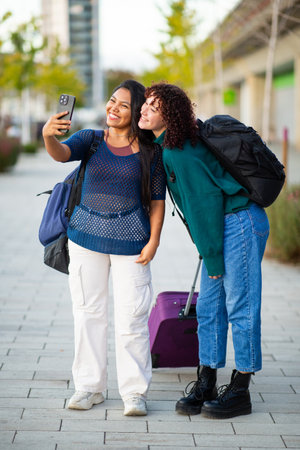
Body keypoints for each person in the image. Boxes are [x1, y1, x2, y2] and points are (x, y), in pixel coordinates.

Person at [138, 82, 270, 419]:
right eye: (145, 104)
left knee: (240, 304)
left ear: (170, 114)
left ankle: (241, 388)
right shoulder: (172, 144)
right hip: (224, 224)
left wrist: (211, 255)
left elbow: (204, 205)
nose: (144, 109)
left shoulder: (178, 151)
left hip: (238, 221)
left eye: (154, 106)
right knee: (210, 308)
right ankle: (207, 379)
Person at [42, 80, 166, 416]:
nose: (113, 108)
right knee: (88, 314)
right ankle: (89, 387)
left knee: (132, 318)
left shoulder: (152, 152)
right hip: (85, 240)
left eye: (123, 105)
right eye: (112, 101)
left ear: (136, 110)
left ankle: (134, 393)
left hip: (132, 245)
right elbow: (62, 154)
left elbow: (157, 201)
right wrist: (48, 136)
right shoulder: (91, 140)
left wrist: (154, 240)